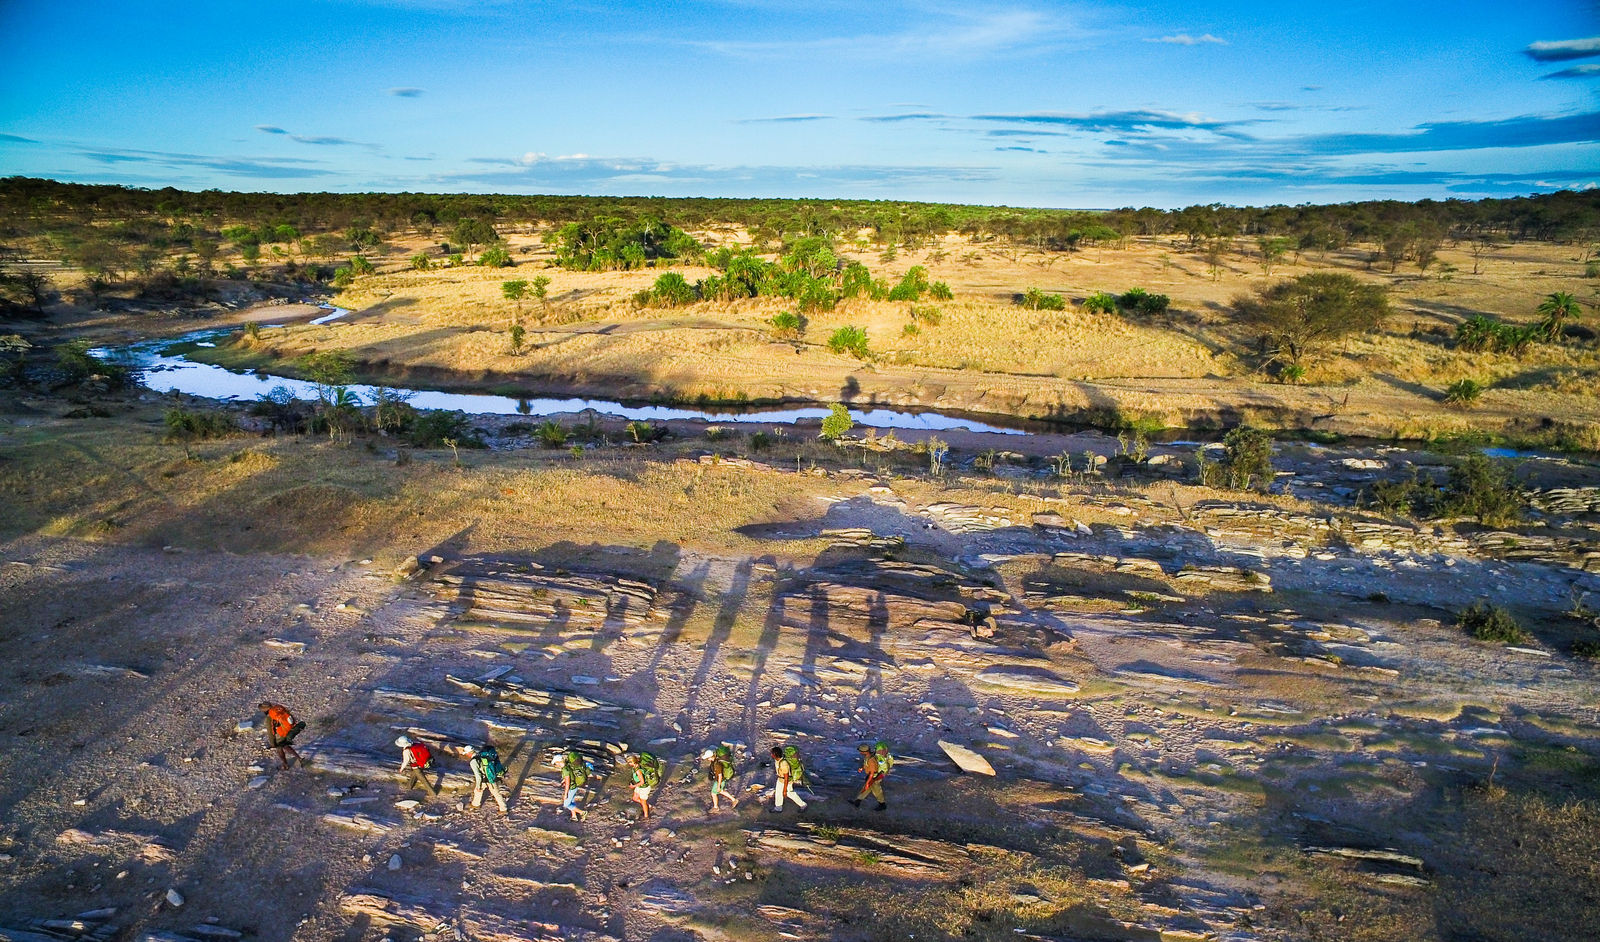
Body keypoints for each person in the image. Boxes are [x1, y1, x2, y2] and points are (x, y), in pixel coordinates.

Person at [257, 701, 305, 770]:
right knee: (285, 745)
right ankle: (299, 759)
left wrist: (273, 744)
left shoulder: (269, 718)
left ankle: (285, 765)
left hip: (283, 733)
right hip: (290, 729)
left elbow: (271, 733)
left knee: (279, 747)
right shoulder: (278, 708)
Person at [469, 743, 509, 816]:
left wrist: (478, 785)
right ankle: (475, 804)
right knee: (493, 793)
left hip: (486, 779)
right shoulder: (481, 755)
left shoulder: (473, 761)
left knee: (493, 793)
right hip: (491, 777)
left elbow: (478, 775)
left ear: (468, 753)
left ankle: (503, 809)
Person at [851, 741, 891, 811]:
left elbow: (872, 772)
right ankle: (857, 801)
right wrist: (862, 768)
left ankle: (882, 805)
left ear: (864, 752)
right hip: (871, 776)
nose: (860, 752)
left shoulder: (871, 760)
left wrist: (867, 783)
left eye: (860, 751)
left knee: (876, 791)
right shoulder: (868, 757)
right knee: (866, 789)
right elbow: (866, 765)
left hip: (874, 778)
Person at [770, 745, 807, 812]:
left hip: (786, 780)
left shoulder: (783, 764)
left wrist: (784, 790)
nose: (771, 755)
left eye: (772, 753)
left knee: (789, 793)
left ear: (775, 755)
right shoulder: (778, 761)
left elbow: (786, 777)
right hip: (780, 779)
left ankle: (803, 805)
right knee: (778, 793)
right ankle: (778, 808)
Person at [626, 752, 662, 820]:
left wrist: (633, 786)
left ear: (633, 762)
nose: (629, 764)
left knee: (643, 802)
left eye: (630, 762)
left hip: (644, 788)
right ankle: (649, 805)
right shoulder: (636, 766)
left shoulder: (638, 771)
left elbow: (642, 782)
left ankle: (646, 816)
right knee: (635, 798)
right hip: (639, 786)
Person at [707, 745, 739, 814]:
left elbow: (720, 775)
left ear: (711, 756)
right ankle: (734, 800)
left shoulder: (717, 764)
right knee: (721, 791)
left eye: (707, 758)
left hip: (720, 780)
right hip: (721, 780)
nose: (707, 759)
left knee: (713, 793)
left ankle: (716, 807)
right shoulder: (715, 761)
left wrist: (718, 785)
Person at [560, 748, 589, 822]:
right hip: (575, 785)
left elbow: (568, 782)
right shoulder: (571, 766)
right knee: (572, 801)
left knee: (566, 804)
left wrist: (565, 794)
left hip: (572, 787)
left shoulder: (566, 768)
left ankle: (582, 812)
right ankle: (574, 816)